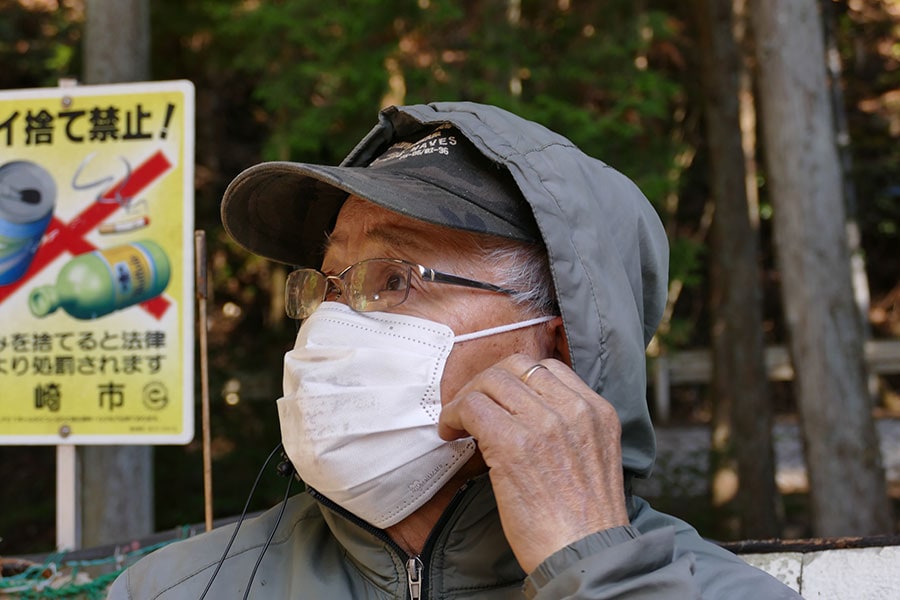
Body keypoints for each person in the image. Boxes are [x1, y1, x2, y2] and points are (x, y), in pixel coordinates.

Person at [108, 102, 800, 599]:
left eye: (395, 279)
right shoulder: (175, 588)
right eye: (328, 284)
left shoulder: (702, 589)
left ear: (557, 346)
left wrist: (592, 569)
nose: (331, 327)